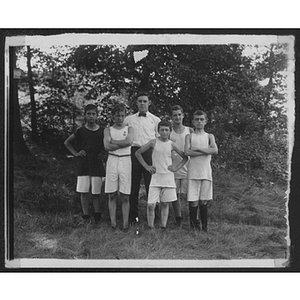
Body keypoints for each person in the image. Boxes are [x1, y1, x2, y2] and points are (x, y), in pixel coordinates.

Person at [135, 120, 188, 229]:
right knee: (151, 205)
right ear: (158, 131)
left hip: (167, 177)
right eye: (162, 130)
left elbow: (185, 157)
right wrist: (146, 166)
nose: (164, 132)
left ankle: (163, 227)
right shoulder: (153, 142)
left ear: (170, 131)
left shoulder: (172, 144)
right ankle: (151, 227)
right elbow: (138, 153)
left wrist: (175, 168)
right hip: (155, 177)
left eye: (166, 130)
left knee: (165, 203)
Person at [64, 104, 106, 225]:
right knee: (83, 191)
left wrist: (104, 154)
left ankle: (97, 216)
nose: (91, 116)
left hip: (96, 163)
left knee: (96, 192)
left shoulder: (102, 131)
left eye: (94, 114)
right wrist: (76, 153)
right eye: (89, 114)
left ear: (97, 115)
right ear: (85, 115)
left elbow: (108, 145)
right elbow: (67, 142)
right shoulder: (81, 131)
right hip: (84, 163)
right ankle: (86, 216)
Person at [124, 91, 161, 225]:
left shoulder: (156, 120)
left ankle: (154, 217)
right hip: (133, 152)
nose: (142, 103)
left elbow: (159, 139)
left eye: (145, 101)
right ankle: (133, 217)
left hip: (149, 152)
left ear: (149, 103)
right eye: (140, 101)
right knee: (133, 186)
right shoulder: (128, 119)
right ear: (136, 103)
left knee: (151, 185)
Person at [184, 110, 218, 232]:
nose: (199, 121)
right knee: (193, 202)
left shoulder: (209, 136)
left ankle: (204, 228)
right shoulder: (189, 136)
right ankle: (193, 227)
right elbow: (187, 152)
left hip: (205, 173)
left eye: (201, 119)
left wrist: (197, 149)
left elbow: (214, 151)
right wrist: (206, 150)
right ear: (193, 121)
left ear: (205, 121)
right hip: (193, 172)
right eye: (197, 119)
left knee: (203, 201)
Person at [103, 103, 134, 231]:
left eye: (122, 116)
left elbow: (129, 141)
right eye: (117, 116)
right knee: (111, 194)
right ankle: (113, 224)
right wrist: (122, 143)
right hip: (112, 160)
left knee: (125, 194)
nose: (120, 118)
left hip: (126, 160)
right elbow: (107, 147)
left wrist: (113, 142)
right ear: (113, 116)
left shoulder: (130, 129)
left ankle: (125, 224)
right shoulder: (108, 130)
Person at [169, 105, 194, 226]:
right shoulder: (169, 132)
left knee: (189, 194)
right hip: (174, 167)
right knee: (175, 195)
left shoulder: (190, 131)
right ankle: (178, 218)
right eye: (175, 115)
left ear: (183, 116)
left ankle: (193, 217)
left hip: (188, 167)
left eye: (179, 114)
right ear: (171, 117)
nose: (177, 117)